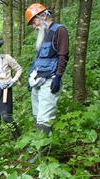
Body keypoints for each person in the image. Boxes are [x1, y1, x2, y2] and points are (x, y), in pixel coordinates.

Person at [25, 3, 69, 136]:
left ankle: (42, 154)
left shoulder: (59, 30)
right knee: (37, 114)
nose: (33, 27)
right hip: (37, 81)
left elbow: (63, 55)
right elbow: (38, 60)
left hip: (50, 81)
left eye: (34, 22)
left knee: (44, 118)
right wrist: (30, 77)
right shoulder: (42, 34)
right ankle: (41, 145)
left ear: (43, 16)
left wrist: (58, 76)